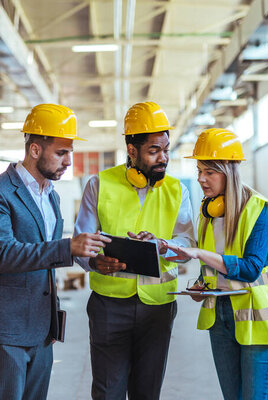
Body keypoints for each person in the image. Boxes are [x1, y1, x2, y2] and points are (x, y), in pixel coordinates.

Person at [0, 103, 111, 400]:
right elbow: (4, 255)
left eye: (69, 153)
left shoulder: (51, 197)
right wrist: (67, 247)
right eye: (61, 153)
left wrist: (93, 259)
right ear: (35, 150)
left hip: (41, 328)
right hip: (6, 330)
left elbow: (45, 252)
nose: (68, 162)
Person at [74, 101, 195, 400]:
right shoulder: (99, 184)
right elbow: (81, 242)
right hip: (108, 306)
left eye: (166, 150)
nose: (163, 158)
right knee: (107, 392)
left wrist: (164, 247)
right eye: (154, 150)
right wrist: (94, 262)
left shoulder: (177, 190)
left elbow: (189, 244)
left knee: (147, 392)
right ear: (132, 150)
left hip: (158, 306)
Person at [165, 128, 268, 400]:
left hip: (259, 323)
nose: (201, 179)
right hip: (221, 319)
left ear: (229, 171)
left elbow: (250, 268)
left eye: (210, 172)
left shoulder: (261, 211)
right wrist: (200, 287)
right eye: (199, 171)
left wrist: (198, 253)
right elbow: (211, 269)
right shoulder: (208, 212)